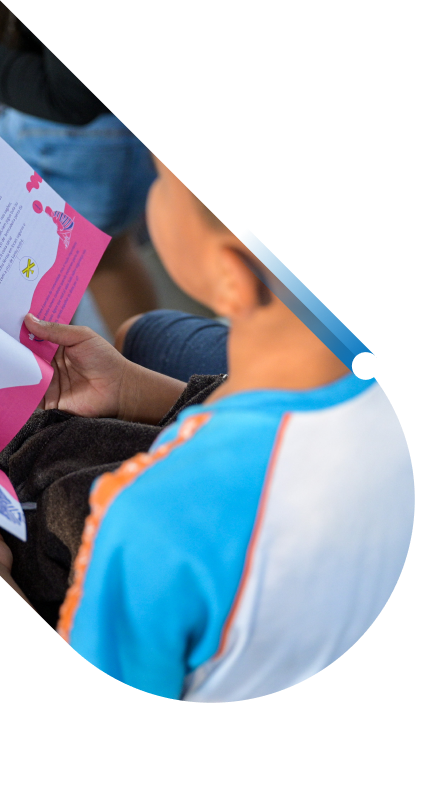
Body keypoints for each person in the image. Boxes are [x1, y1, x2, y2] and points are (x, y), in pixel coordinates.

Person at [0, 155, 414, 702]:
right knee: (144, 336)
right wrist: (130, 391)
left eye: (161, 181)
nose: (153, 191)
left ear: (230, 276)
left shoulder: (144, 524)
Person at [0, 3, 158, 338]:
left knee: (36, 280)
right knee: (107, 255)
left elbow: (72, 98)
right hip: (99, 139)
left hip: (65, 134)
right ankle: (149, 369)